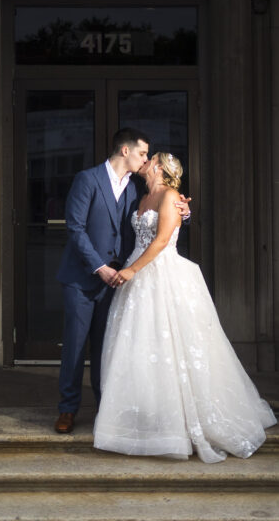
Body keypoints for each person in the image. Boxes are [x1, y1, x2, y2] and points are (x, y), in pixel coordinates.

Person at [93, 152, 277, 462]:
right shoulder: (142, 195)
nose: (146, 160)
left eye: (150, 158)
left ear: (160, 167)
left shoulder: (171, 196)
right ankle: (146, 418)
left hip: (161, 274)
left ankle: (181, 421)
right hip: (137, 278)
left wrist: (132, 270)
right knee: (140, 348)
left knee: (175, 347)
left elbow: (162, 239)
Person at [54, 129, 189, 434]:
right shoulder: (87, 179)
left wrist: (186, 211)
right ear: (125, 151)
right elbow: (75, 228)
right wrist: (98, 267)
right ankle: (67, 409)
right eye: (143, 153)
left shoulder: (136, 191)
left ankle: (105, 409)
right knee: (75, 346)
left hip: (117, 282)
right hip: (82, 278)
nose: (145, 160)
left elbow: (159, 214)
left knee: (107, 348)